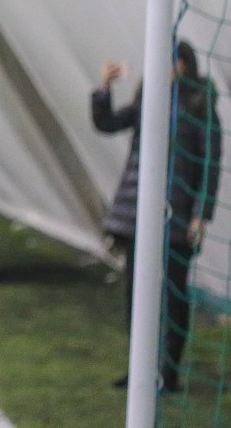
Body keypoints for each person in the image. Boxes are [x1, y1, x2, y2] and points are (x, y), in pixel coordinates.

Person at [92, 41, 223, 392]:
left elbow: (210, 166)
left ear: (183, 65)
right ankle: (139, 369)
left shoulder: (200, 107)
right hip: (139, 216)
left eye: (168, 61)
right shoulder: (147, 99)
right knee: (136, 292)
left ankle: (170, 372)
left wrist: (200, 216)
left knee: (174, 293)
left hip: (177, 220)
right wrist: (104, 88)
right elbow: (107, 123)